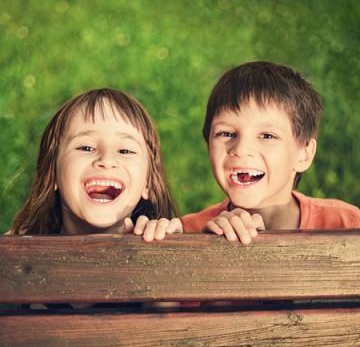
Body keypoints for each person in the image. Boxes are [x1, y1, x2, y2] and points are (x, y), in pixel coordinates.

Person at [182, 61, 360, 243]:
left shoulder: (349, 223)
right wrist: (205, 246)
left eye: (267, 136)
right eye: (226, 133)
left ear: (304, 154)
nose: (241, 149)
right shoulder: (187, 232)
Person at [9, 88, 182, 241]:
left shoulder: (160, 242)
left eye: (125, 151)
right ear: (52, 173)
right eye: (86, 147)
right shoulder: (15, 250)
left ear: (148, 183)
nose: (106, 160)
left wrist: (172, 248)